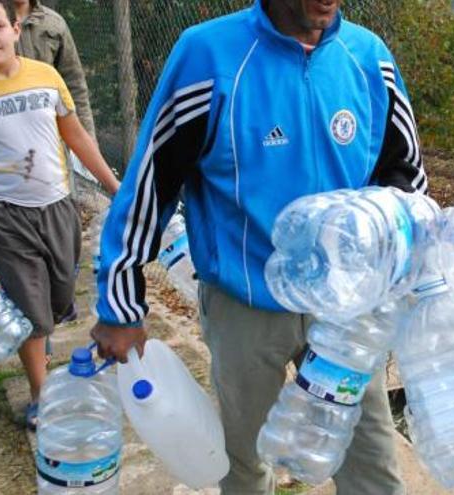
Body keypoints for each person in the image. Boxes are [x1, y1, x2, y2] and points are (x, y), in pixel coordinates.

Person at [90, 0, 426, 493]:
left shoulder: (367, 57)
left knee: (371, 460)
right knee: (241, 460)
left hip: (346, 313)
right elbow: (152, 181)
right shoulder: (208, 56)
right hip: (246, 306)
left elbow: (406, 178)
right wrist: (120, 304)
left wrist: (400, 264)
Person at [0, 0, 120, 429]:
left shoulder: (46, 77)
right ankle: (40, 396)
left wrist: (113, 187)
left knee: (61, 295)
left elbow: (76, 137)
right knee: (30, 312)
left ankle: (43, 329)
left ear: (17, 28)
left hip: (58, 208)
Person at [0, 0, 96, 139]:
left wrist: (88, 138)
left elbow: (75, 85)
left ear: (16, 30)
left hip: (49, 137)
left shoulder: (54, 24)